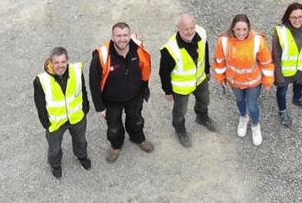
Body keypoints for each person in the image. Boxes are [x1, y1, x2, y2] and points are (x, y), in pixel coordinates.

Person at [89, 22, 154, 163]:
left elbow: (145, 69)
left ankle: (138, 138)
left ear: (130, 36)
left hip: (134, 96)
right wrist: (99, 107)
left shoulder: (138, 50)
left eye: (125, 35)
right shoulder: (101, 56)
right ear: (112, 37)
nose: (122, 39)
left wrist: (144, 90)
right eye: (118, 35)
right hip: (111, 101)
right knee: (113, 126)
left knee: (136, 120)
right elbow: (93, 83)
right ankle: (116, 145)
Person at [213, 14, 274, 146]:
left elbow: (266, 62)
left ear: (249, 28)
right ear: (233, 29)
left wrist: (268, 81)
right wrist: (221, 78)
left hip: (253, 82)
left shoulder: (258, 41)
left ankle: (255, 125)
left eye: (244, 29)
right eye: (238, 29)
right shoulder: (223, 41)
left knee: (252, 106)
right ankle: (243, 117)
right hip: (235, 82)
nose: (241, 33)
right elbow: (219, 61)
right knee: (240, 100)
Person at [160, 13, 217, 148]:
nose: (190, 31)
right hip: (181, 88)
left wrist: (207, 70)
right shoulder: (170, 49)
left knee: (204, 100)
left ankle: (202, 117)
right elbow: (164, 73)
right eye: (186, 29)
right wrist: (167, 91)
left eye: (192, 27)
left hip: (200, 80)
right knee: (180, 111)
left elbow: (206, 51)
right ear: (178, 28)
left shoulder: (201, 34)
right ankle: (180, 129)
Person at [33, 47, 90, 178]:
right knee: (54, 147)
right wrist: (45, 122)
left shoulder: (76, 71)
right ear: (50, 63)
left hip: (77, 117)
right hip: (55, 121)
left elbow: (83, 90)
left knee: (80, 140)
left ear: (67, 61)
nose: (60, 66)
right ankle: (55, 165)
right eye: (56, 62)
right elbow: (40, 104)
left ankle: (82, 156)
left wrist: (85, 107)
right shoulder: (41, 81)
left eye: (63, 62)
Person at [271, 3, 302, 127]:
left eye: (300, 16)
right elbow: (276, 56)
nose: (297, 20)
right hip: (286, 71)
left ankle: (297, 97)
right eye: (293, 17)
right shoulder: (280, 32)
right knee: (282, 91)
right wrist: (278, 75)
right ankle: (282, 110)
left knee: (299, 83)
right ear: (288, 18)